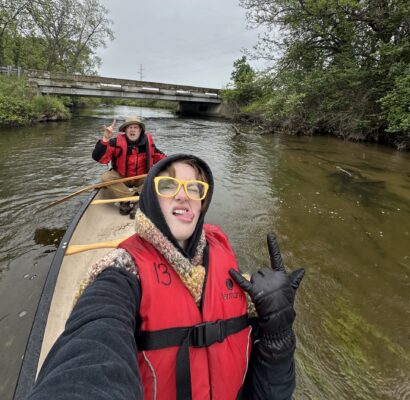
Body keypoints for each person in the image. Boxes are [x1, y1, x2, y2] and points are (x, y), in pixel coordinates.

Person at [26, 154, 304, 400]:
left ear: (202, 203)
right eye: (168, 185)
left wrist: (277, 335)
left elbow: (272, 393)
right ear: (150, 198)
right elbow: (91, 354)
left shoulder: (233, 277)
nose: (183, 195)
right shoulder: (121, 272)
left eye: (194, 187)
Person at [92, 115, 166, 218]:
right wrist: (105, 139)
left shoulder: (148, 144)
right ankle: (134, 198)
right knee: (106, 177)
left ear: (140, 130)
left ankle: (134, 198)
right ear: (125, 130)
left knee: (161, 176)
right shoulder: (115, 143)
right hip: (123, 177)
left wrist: (179, 164)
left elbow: (163, 159)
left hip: (141, 178)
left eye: (135, 127)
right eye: (129, 127)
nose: (132, 130)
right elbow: (99, 158)